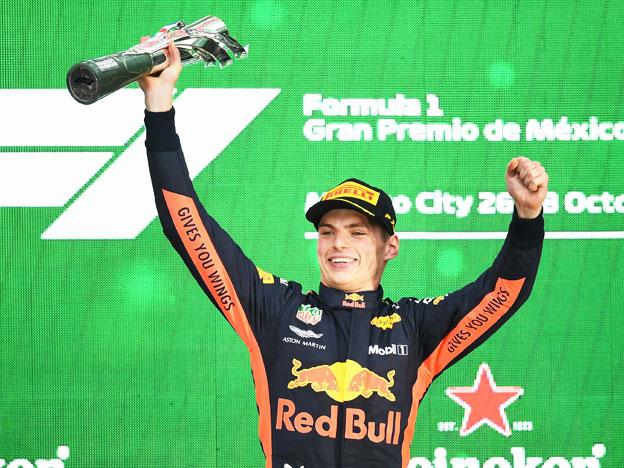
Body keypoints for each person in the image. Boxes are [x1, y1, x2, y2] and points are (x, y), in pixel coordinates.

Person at [139, 42, 548, 468]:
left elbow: (502, 293)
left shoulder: (415, 328)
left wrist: (528, 215)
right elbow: (187, 226)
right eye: (328, 232)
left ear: (390, 247)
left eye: (357, 233)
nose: (338, 244)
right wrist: (159, 105)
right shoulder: (275, 310)